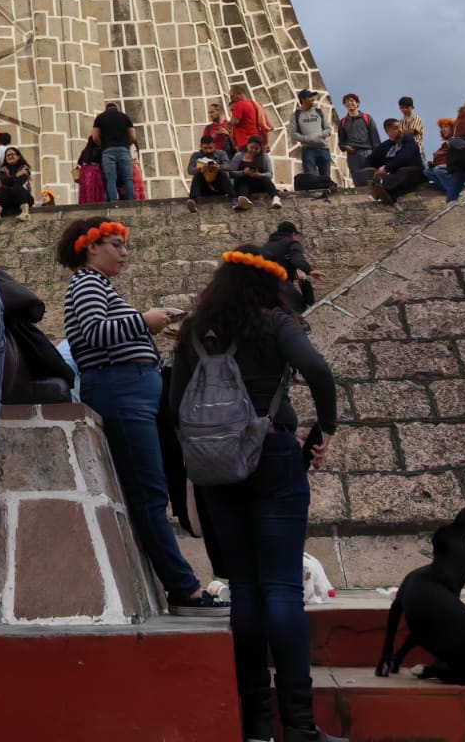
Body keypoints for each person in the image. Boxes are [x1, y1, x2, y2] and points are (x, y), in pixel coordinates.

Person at [171, 248, 341, 742]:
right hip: (274, 458)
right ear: (269, 284)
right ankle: (302, 727)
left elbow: (173, 405)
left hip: (217, 472)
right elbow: (320, 371)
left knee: (244, 589)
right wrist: (324, 430)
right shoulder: (274, 323)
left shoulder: (194, 334)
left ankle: (256, 727)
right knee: (282, 589)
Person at [57, 216, 224, 617]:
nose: (123, 253)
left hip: (133, 392)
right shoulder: (87, 284)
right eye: (116, 244)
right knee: (148, 494)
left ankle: (180, 583)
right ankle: (183, 588)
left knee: (153, 490)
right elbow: (96, 333)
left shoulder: (99, 286)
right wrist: (144, 322)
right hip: (121, 391)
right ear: (91, 246)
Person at [261, 221, 323, 313]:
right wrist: (309, 270)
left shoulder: (265, 247)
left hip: (263, 289)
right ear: (293, 233)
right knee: (300, 310)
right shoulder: (291, 243)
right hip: (282, 286)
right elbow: (297, 260)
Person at [369, 120, 425, 203]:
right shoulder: (385, 146)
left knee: (404, 172)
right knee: (392, 177)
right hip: (396, 175)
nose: (400, 130)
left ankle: (383, 190)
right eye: (396, 128)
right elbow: (372, 160)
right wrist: (375, 170)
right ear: (388, 131)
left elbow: (404, 157)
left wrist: (386, 168)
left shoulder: (408, 139)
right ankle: (384, 193)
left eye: (400, 127)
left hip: (414, 172)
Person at [91, 101, 136, 205]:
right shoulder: (125, 117)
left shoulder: (100, 118)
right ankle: (131, 202)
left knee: (110, 178)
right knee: (127, 178)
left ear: (106, 108)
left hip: (108, 151)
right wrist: (125, 145)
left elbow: (95, 137)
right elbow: (133, 136)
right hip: (124, 150)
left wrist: (103, 146)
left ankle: (113, 202)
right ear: (116, 108)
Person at [288, 90, 332, 184]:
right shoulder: (296, 115)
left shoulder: (319, 112)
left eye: (313, 97)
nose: (313, 99)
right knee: (310, 179)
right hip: (308, 150)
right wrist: (307, 139)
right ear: (303, 99)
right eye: (310, 97)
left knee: (326, 178)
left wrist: (319, 136)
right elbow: (293, 133)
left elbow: (328, 129)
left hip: (323, 149)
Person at [337, 96, 380, 186]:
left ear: (357, 103)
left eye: (352, 101)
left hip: (368, 153)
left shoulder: (367, 118)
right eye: (346, 102)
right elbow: (341, 142)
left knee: (374, 181)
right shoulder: (343, 122)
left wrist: (377, 156)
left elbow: (375, 138)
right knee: (358, 183)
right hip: (353, 156)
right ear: (344, 105)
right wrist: (345, 147)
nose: (349, 103)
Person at [230, 136, 281, 209]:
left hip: (258, 183)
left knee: (265, 179)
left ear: (260, 149)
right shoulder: (239, 155)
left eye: (256, 149)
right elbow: (231, 173)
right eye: (251, 147)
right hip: (242, 184)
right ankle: (244, 200)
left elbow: (270, 174)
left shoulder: (264, 157)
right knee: (242, 180)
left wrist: (259, 175)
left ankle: (276, 198)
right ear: (247, 146)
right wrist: (243, 172)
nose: (253, 150)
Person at [0, 147, 33, 221]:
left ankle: (25, 213)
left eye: (12, 154)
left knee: (16, 187)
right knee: (4, 188)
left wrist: (10, 180)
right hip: (9, 199)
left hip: (24, 198)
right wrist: (16, 175)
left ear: (18, 156)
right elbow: (4, 181)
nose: (10, 156)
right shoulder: (3, 169)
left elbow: (20, 182)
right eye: (7, 155)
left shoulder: (24, 167)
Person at [424, 118, 460, 200]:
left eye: (446, 126)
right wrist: (432, 164)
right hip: (444, 167)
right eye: (442, 127)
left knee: (438, 169)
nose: (443, 129)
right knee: (427, 171)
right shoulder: (445, 143)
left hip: (454, 168)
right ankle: (447, 188)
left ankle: (458, 188)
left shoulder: (455, 140)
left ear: (452, 128)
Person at [74, 138, 105, 206]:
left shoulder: (84, 151)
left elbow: (79, 162)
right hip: (95, 171)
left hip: (84, 172)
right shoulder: (99, 150)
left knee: (86, 190)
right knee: (95, 189)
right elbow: (102, 163)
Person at [395, 97, 425, 162]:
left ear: (411, 107)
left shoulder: (416, 118)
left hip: (417, 151)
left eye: (406, 107)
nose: (404, 110)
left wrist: (400, 132)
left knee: (423, 170)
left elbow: (413, 132)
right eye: (402, 108)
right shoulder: (401, 121)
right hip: (405, 152)